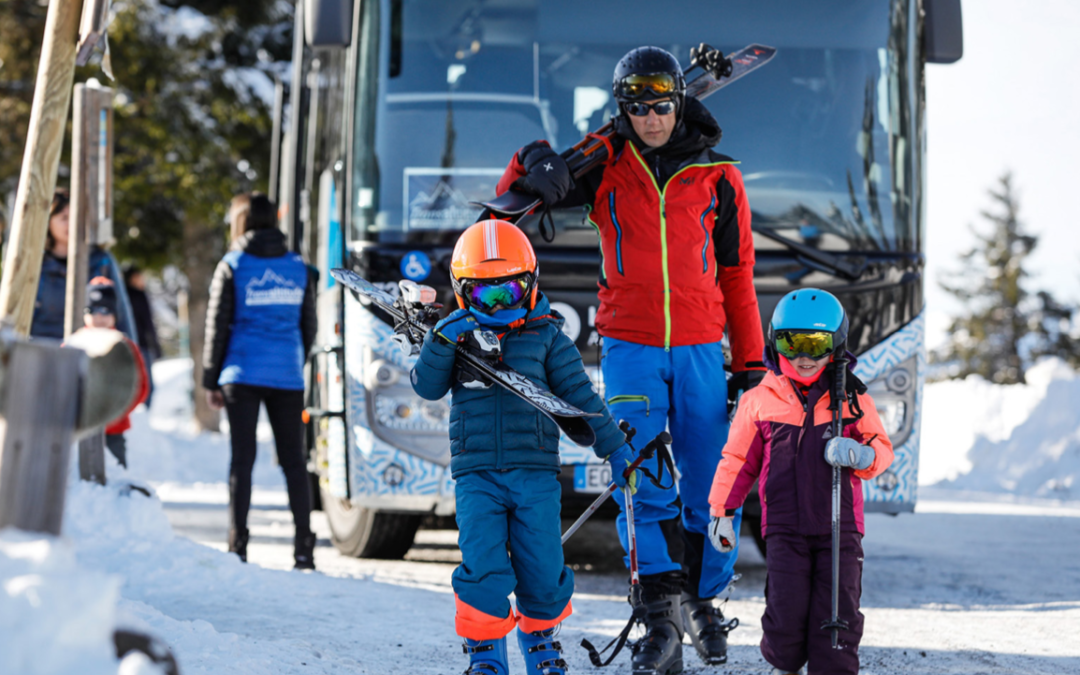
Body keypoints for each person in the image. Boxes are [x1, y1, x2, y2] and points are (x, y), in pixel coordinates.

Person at [496, 46, 766, 672]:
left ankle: (704, 598)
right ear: (623, 108)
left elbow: (738, 274)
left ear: (678, 103)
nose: (650, 118)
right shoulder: (605, 164)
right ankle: (658, 614)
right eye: (637, 107)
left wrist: (751, 364)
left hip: (702, 349)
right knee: (642, 480)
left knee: (713, 488)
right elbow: (519, 195)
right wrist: (533, 155)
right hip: (630, 348)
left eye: (660, 106)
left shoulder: (718, 174)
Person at [411, 219, 639, 675]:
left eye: (508, 293)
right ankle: (486, 654)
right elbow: (427, 387)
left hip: (534, 474)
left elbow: (581, 396)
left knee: (543, 565)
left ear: (531, 283)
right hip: (476, 475)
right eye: (482, 295)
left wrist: (616, 450)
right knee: (483, 566)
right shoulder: (456, 337)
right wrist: (441, 341)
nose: (496, 305)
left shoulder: (548, 337)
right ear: (460, 292)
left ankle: (540, 643)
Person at [707, 289, 894, 675]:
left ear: (836, 345)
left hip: (839, 530)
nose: (804, 357)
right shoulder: (759, 401)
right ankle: (784, 665)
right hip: (784, 528)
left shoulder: (852, 400)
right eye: (792, 344)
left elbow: (882, 449)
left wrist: (863, 455)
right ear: (776, 344)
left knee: (837, 609)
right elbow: (737, 460)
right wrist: (723, 512)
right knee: (785, 607)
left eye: (816, 344)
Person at [202, 192, 318, 570]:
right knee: (294, 462)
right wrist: (292, 360)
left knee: (243, 461)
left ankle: (238, 546)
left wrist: (210, 378)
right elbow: (309, 325)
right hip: (286, 374)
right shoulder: (299, 267)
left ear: (241, 223)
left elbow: (217, 325)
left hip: (242, 373)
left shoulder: (232, 264)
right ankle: (304, 548)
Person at [32, 189, 137, 341]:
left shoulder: (101, 260)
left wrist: (132, 355)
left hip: (89, 353)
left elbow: (121, 312)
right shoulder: (36, 262)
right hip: (42, 352)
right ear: (48, 222)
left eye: (75, 217)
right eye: (64, 218)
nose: (71, 223)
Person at [77, 277, 149, 469]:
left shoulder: (125, 347)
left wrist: (117, 412)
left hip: (113, 430)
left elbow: (140, 386)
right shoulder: (75, 344)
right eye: (92, 311)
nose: (99, 317)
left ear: (115, 314)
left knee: (115, 475)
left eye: (105, 311)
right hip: (79, 430)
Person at [123, 263, 162, 408]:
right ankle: (143, 417)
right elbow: (148, 324)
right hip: (141, 346)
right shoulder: (139, 295)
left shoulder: (123, 295)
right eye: (139, 277)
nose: (142, 280)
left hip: (125, 345)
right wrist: (156, 347)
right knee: (147, 386)